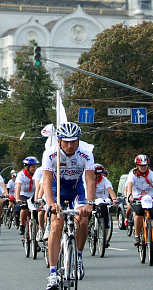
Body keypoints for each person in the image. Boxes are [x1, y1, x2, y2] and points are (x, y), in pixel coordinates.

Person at [42, 122, 95, 290]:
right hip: (57, 190)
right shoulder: (50, 154)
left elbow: (90, 180)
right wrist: (51, 204)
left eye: (73, 141)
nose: (70, 145)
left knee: (83, 220)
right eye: (66, 141)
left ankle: (78, 257)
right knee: (56, 225)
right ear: (59, 140)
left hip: (76, 190)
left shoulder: (86, 155)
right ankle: (52, 273)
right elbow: (47, 181)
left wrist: (89, 203)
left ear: (79, 140)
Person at [126, 155, 153, 247]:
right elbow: (130, 184)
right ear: (137, 166)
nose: (143, 168)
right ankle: (137, 235)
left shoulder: (151, 174)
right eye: (141, 166)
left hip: (150, 198)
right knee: (139, 212)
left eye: (145, 166)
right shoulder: (132, 174)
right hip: (137, 198)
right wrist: (130, 195)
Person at [90, 163, 117, 247]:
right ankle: (86, 228)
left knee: (105, 219)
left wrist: (114, 199)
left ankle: (104, 239)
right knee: (86, 216)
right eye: (95, 174)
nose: (97, 176)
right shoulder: (87, 179)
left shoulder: (104, 180)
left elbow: (110, 190)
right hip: (90, 201)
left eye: (99, 174)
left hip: (102, 202)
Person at [15, 157, 39, 236]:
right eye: (33, 167)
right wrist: (18, 198)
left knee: (37, 212)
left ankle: (37, 235)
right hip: (23, 194)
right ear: (27, 167)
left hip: (34, 194)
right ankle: (22, 224)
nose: (35, 168)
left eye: (35, 166)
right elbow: (18, 187)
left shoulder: (38, 174)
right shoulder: (21, 175)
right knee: (24, 207)